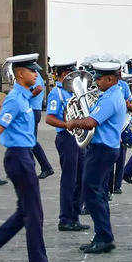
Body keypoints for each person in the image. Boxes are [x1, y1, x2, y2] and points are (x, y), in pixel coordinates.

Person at [0, 55, 63, 262]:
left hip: (24, 156)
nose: (36, 75)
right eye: (33, 72)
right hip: (18, 158)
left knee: (25, 211)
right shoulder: (13, 99)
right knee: (34, 213)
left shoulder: (24, 98)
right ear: (20, 74)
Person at [65, 61, 127, 254]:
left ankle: (104, 237)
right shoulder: (109, 94)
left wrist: (72, 122)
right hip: (103, 148)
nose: (96, 82)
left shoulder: (110, 98)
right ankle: (103, 235)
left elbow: (91, 121)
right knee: (97, 193)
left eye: (99, 78)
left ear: (110, 79)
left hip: (102, 149)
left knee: (91, 193)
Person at [43, 62, 88, 232]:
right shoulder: (57, 93)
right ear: (62, 76)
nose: (73, 79)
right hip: (66, 138)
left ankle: (75, 216)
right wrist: (67, 124)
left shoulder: (75, 93)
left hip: (78, 137)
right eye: (69, 75)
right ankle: (65, 218)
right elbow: (49, 118)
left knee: (80, 177)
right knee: (69, 179)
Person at [28, 66, 56, 179]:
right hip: (30, 110)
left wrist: (26, 96)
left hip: (33, 110)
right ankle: (44, 167)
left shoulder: (34, 74)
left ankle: (43, 167)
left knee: (30, 141)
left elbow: (38, 88)